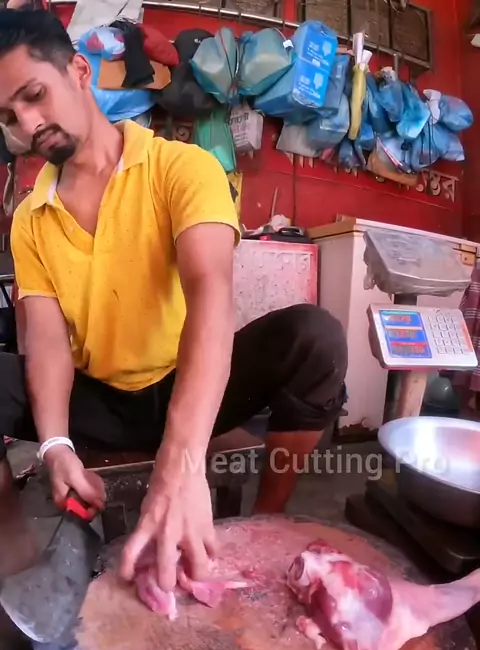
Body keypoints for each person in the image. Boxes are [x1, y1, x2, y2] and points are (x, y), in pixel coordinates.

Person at [0, 9, 348, 593]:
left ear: (79, 71)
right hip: (100, 399)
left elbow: (211, 292)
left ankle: (266, 526)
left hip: (185, 383)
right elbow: (49, 340)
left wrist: (181, 462)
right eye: (9, 116)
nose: (28, 124)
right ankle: (16, 570)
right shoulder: (31, 217)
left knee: (315, 340)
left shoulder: (182, 168)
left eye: (34, 95)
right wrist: (56, 445)